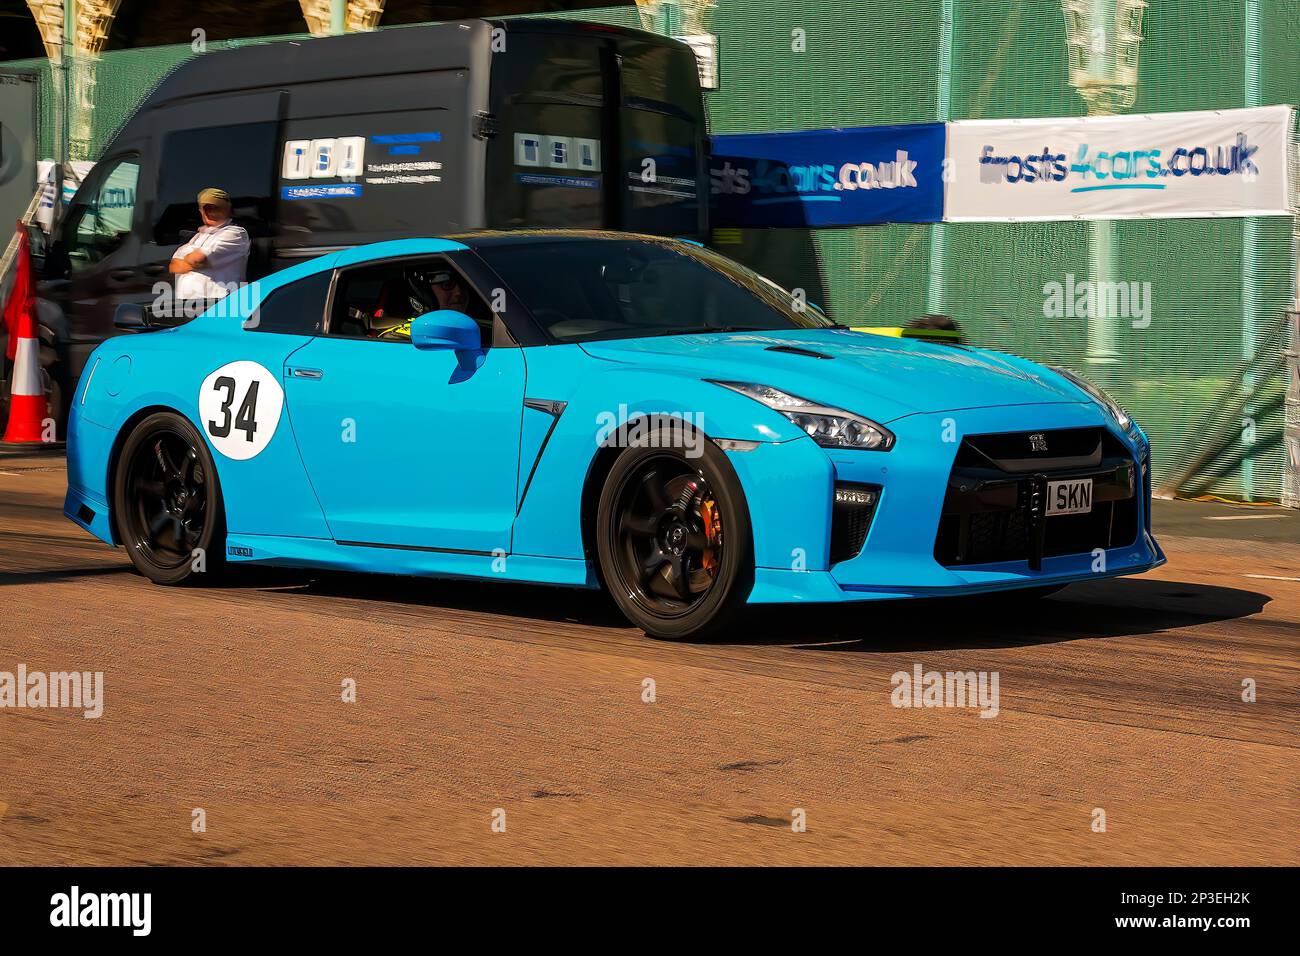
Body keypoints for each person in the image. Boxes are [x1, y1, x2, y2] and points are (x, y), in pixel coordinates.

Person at [168, 187, 250, 310]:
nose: (208, 212)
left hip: (218, 307)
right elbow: (174, 266)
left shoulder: (235, 233)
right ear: (200, 210)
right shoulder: (198, 236)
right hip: (189, 307)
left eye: (214, 207)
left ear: (227, 209)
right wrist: (194, 262)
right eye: (204, 208)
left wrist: (190, 262)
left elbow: (196, 259)